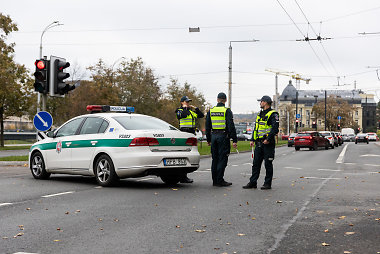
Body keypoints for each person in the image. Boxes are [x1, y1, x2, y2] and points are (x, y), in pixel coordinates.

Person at [243, 95, 279, 190]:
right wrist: (252, 139)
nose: (260, 103)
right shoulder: (260, 114)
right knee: (256, 164)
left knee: (268, 164)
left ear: (266, 102)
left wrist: (268, 139)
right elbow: (256, 129)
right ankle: (253, 182)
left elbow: (275, 129)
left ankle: (267, 183)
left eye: (261, 101)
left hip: (268, 143)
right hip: (259, 143)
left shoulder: (273, 114)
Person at [205, 92, 237, 187]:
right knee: (222, 158)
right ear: (225, 100)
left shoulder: (211, 111)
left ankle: (215, 180)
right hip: (223, 137)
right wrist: (234, 139)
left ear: (217, 99)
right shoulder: (226, 111)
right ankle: (220, 180)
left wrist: (208, 139)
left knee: (215, 159)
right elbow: (230, 126)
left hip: (214, 136)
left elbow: (207, 126)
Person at [175, 95, 204, 183]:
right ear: (182, 102)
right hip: (183, 133)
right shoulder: (179, 110)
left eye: (188, 102)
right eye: (186, 102)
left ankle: (184, 176)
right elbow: (181, 116)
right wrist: (184, 108)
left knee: (188, 155)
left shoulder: (191, 112)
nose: (188, 103)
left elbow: (201, 115)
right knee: (183, 154)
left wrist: (196, 108)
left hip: (191, 133)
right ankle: (182, 176)